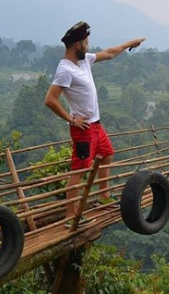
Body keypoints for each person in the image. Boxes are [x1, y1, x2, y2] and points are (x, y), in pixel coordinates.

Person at [44, 21, 145, 218]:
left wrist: (128, 44)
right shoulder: (65, 69)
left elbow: (108, 53)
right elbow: (50, 99)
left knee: (107, 154)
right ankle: (70, 215)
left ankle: (104, 196)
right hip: (82, 129)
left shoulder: (84, 61)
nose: (89, 46)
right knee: (79, 170)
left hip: (96, 125)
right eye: (86, 43)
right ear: (77, 45)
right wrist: (72, 119)